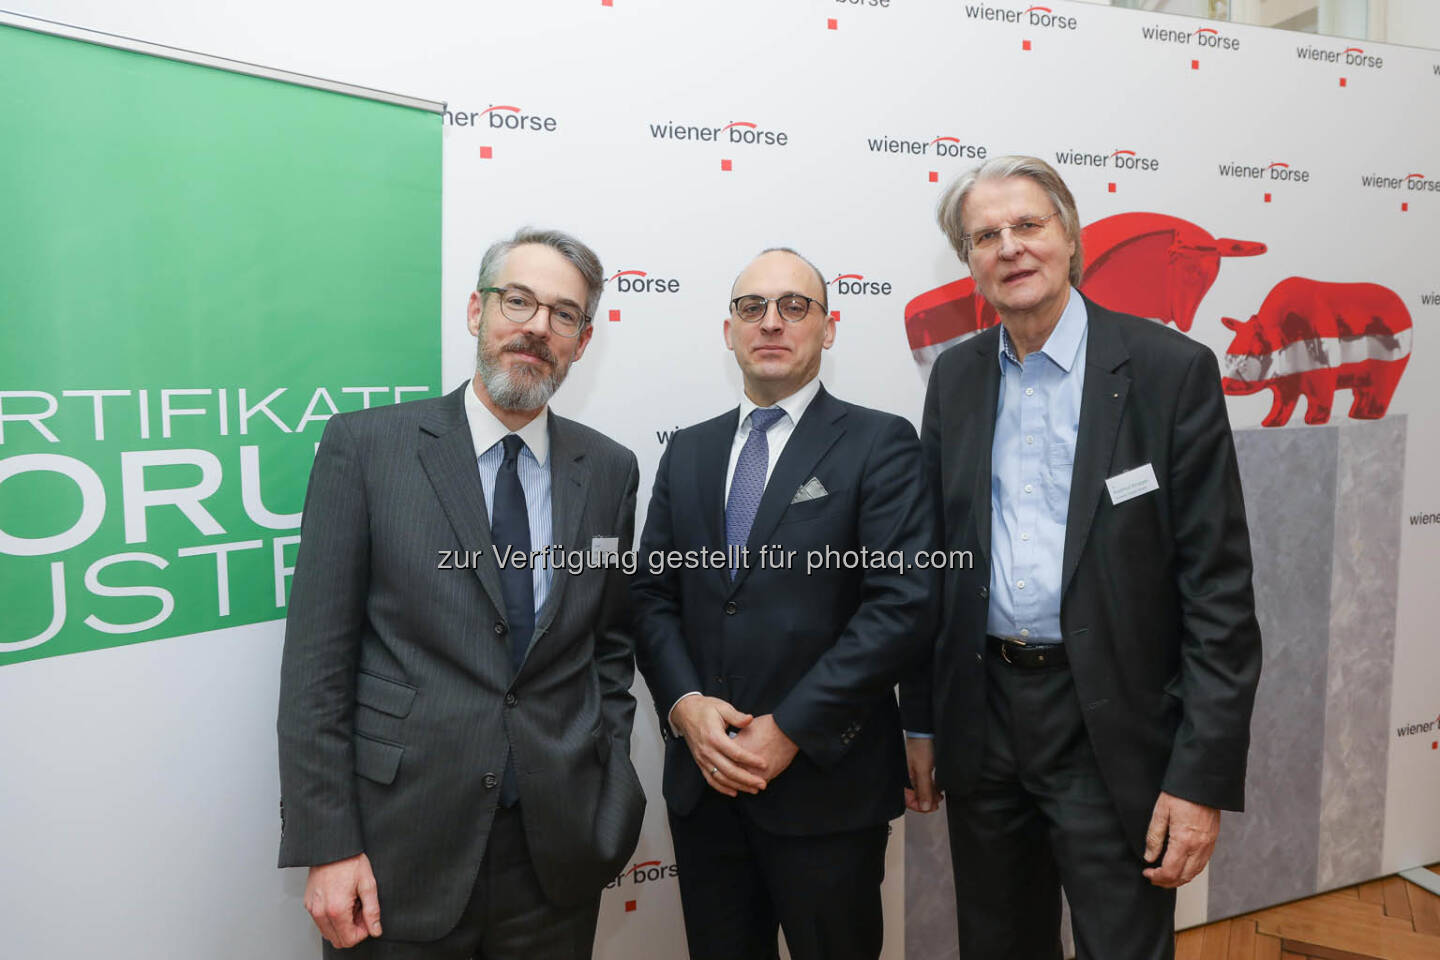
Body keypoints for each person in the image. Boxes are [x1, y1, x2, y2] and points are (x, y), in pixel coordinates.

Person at [901, 156, 1262, 960]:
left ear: (1071, 238)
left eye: (1028, 225)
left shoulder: (1170, 371)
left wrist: (1199, 780)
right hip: (984, 720)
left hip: (1112, 725)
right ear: (969, 263)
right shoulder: (956, 377)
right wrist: (920, 718)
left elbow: (1218, 594)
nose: (1009, 248)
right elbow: (934, 570)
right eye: (984, 235)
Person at [277, 227, 645, 958]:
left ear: (582, 339)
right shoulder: (368, 448)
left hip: (556, 855)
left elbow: (608, 642)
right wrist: (329, 842)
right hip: (395, 851)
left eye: (562, 315)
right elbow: (318, 663)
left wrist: (608, 774)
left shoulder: (608, 471)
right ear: (477, 312)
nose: (536, 327)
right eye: (518, 301)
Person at [631, 247, 934, 960]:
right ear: (728, 329)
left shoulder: (879, 442)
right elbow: (651, 594)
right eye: (752, 307)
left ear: (827, 329)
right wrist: (683, 706)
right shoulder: (691, 451)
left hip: (826, 786)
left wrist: (790, 727)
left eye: (794, 306)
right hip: (706, 788)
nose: (772, 322)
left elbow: (903, 604)